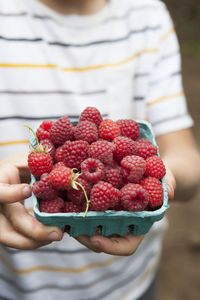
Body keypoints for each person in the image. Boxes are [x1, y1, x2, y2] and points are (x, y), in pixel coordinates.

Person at [0, 0, 199, 299]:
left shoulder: (147, 15)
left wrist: (167, 177)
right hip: (17, 284)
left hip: (131, 284)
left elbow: (187, 161)